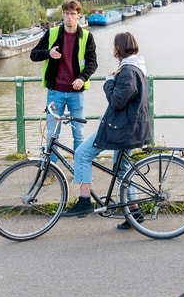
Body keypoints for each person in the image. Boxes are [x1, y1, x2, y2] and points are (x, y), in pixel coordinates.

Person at [60, 31, 151, 229]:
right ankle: (134, 213)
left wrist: (108, 83)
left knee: (82, 154)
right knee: (122, 171)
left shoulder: (128, 71)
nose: (113, 49)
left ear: (119, 48)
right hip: (128, 127)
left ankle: (84, 201)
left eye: (115, 46)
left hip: (121, 129)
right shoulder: (136, 68)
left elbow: (117, 101)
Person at [30, 0, 98, 155]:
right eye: (66, 14)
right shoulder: (52, 34)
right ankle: (51, 171)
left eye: (73, 14)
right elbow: (33, 55)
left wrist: (82, 78)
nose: (69, 17)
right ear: (62, 14)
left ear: (78, 15)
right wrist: (48, 53)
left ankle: (79, 172)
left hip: (77, 93)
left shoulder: (87, 37)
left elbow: (92, 63)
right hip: (55, 92)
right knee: (52, 134)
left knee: (79, 135)